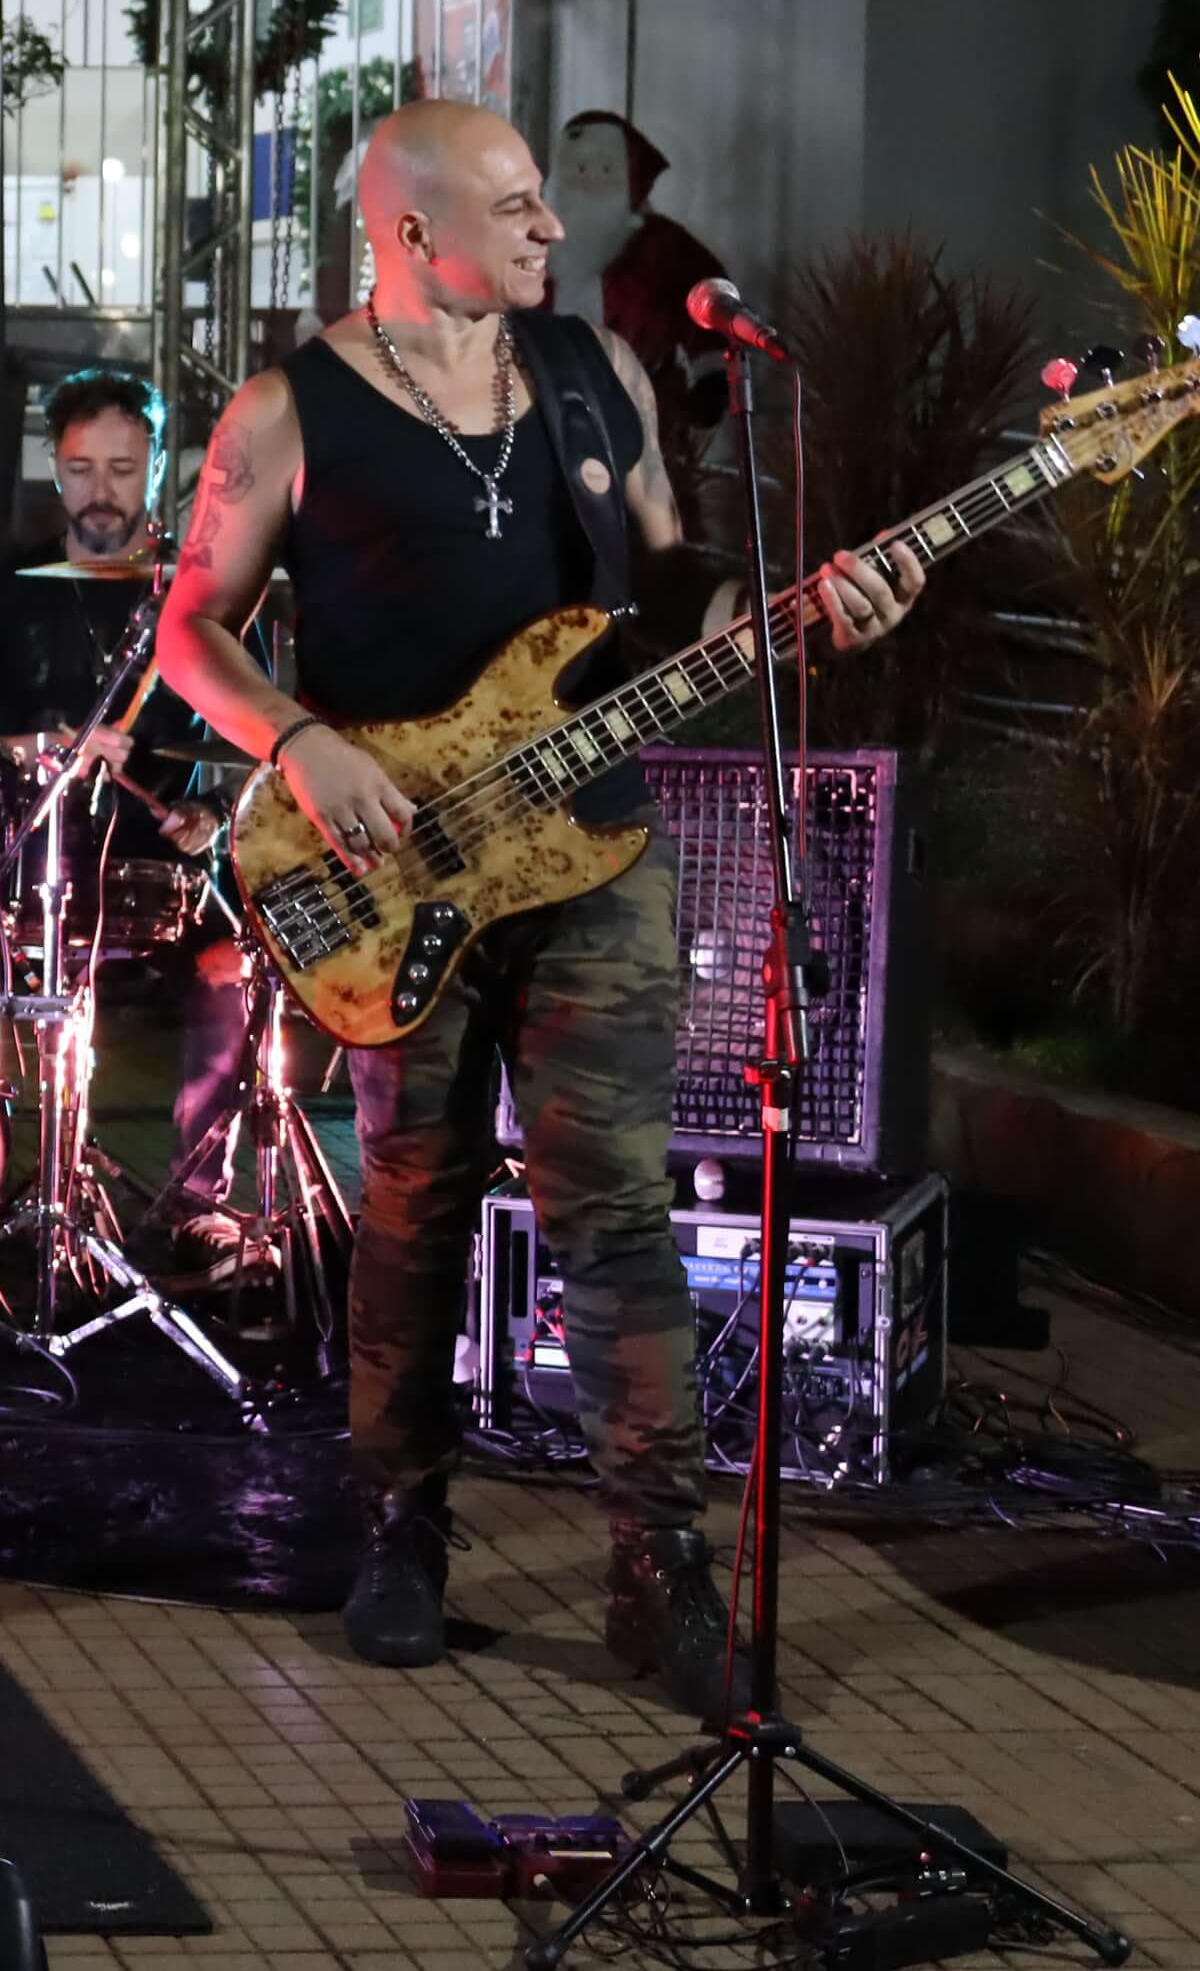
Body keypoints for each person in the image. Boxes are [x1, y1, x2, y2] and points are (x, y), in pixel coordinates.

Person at [154, 100, 919, 1718]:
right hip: (392, 878)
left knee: (614, 1216)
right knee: (413, 1205)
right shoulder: (287, 412)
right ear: (411, 230)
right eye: (511, 206)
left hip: (592, 856)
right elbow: (186, 634)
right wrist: (294, 744)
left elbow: (661, 594)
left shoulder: (592, 374)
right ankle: (397, 1531)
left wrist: (787, 613)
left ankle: (659, 1570)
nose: (551, 228)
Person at [0, 372, 244, 1260]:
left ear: (157, 468)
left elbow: (247, 746)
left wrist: (211, 810)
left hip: (166, 861)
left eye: (123, 470)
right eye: (80, 468)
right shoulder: (11, 590)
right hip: (47, 865)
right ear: (53, 470)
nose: (101, 491)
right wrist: (40, 746)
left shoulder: (201, 596)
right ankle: (29, 1187)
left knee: (231, 971)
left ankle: (196, 1203)